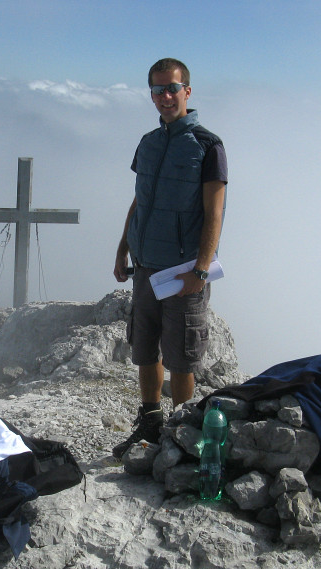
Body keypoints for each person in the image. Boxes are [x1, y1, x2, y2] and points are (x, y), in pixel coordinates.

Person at [112, 58, 228, 459]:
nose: (165, 96)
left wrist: (201, 269)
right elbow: (140, 200)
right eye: (158, 89)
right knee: (145, 349)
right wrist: (123, 246)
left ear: (187, 91)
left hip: (183, 271)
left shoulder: (207, 145)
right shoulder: (148, 142)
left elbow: (214, 213)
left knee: (181, 357)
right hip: (145, 265)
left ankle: (181, 433)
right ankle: (150, 425)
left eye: (172, 88)